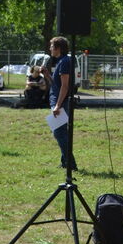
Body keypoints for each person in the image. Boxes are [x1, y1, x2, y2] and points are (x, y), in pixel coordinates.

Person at [48, 37, 78, 170]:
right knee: (60, 132)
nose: (50, 49)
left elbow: (65, 87)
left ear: (58, 48)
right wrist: (46, 75)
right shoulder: (60, 61)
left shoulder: (65, 61)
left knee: (59, 133)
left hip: (61, 102)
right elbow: (56, 84)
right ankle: (65, 161)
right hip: (56, 100)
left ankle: (71, 164)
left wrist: (57, 105)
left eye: (52, 46)